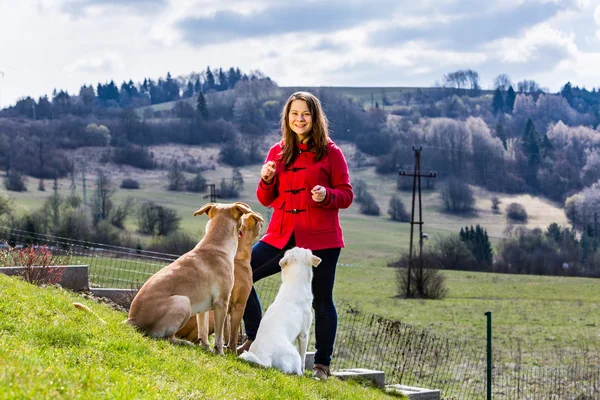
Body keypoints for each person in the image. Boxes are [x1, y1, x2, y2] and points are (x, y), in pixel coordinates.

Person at [238, 91, 354, 381]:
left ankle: (322, 365)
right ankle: (254, 336)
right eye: (294, 114)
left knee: (321, 300)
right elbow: (266, 198)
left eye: (305, 114)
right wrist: (265, 180)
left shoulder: (332, 153)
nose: (299, 119)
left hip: (321, 240)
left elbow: (347, 195)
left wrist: (327, 195)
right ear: (287, 118)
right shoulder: (277, 152)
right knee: (241, 273)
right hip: (281, 234)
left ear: (315, 118)